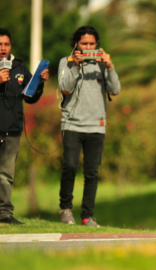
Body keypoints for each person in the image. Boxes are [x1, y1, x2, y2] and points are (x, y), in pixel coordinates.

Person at [58, 26, 120, 227]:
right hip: (72, 124)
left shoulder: (102, 65)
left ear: (97, 45)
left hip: (96, 125)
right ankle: (66, 209)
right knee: (69, 166)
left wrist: (110, 66)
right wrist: (75, 66)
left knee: (92, 173)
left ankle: (87, 216)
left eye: (92, 44)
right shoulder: (66, 63)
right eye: (84, 43)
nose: (88, 47)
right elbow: (65, 89)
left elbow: (115, 89)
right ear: (76, 44)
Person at [0, 28, 49, 224]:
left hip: (12, 129)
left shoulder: (19, 67)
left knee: (6, 174)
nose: (2, 48)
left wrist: (41, 83)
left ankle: (4, 214)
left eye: (6, 44)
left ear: (11, 46)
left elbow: (30, 97)